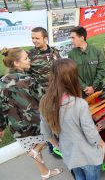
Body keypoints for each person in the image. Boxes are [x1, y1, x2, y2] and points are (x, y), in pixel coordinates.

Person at [0, 48, 62, 180]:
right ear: (16, 63)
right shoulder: (28, 79)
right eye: (26, 58)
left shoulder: (1, 82)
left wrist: (0, 127)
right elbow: (44, 100)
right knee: (46, 139)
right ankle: (37, 152)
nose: (30, 60)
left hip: (16, 127)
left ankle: (44, 172)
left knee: (31, 147)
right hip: (35, 123)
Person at [40, 59, 105, 180]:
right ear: (72, 78)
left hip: (69, 154)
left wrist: (59, 146)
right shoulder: (79, 104)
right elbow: (91, 134)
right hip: (88, 155)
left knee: (79, 177)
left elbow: (46, 133)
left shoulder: (45, 101)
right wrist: (101, 143)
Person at [28, 27, 61, 158]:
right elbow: (27, 79)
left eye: (37, 38)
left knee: (59, 120)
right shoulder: (30, 56)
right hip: (43, 97)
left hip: (58, 93)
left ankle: (62, 144)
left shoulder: (55, 51)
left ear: (45, 39)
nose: (34, 40)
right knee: (49, 122)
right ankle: (54, 148)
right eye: (32, 38)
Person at [68, 26, 105, 97]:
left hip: (97, 90)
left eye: (73, 38)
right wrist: (84, 87)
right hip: (81, 92)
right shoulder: (71, 54)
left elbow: (102, 70)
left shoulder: (97, 51)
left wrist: (93, 87)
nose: (71, 40)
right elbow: (72, 74)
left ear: (82, 38)